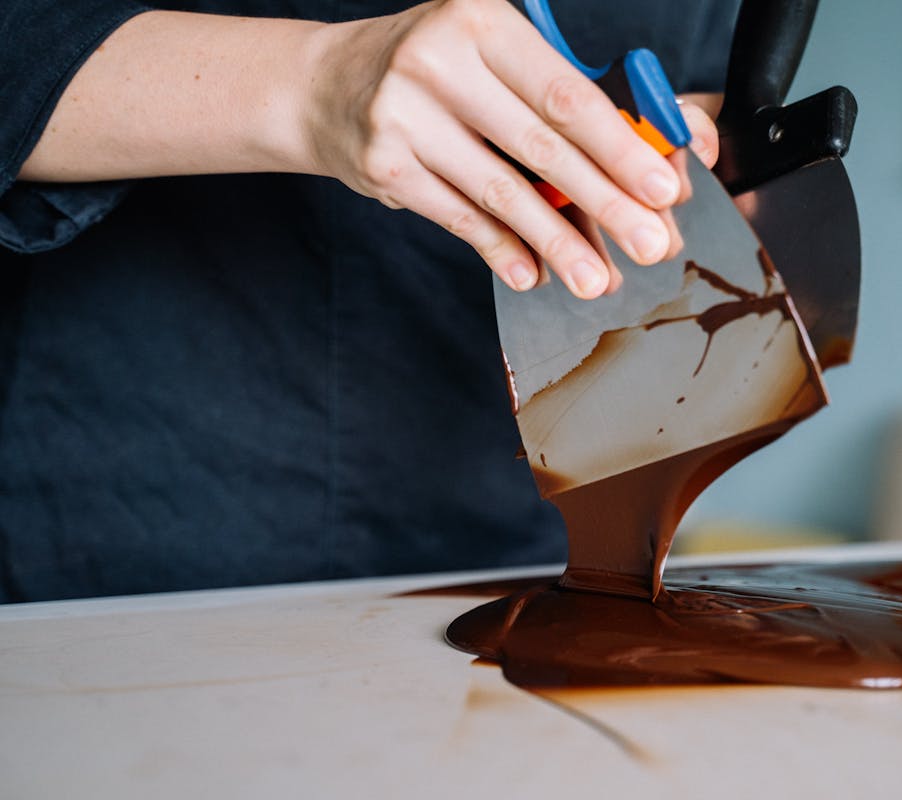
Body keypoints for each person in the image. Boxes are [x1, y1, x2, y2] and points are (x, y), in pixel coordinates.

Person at [0, 0, 735, 602]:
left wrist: (666, 160)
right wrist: (320, 83)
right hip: (129, 508)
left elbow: (695, 74)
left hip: (522, 510)